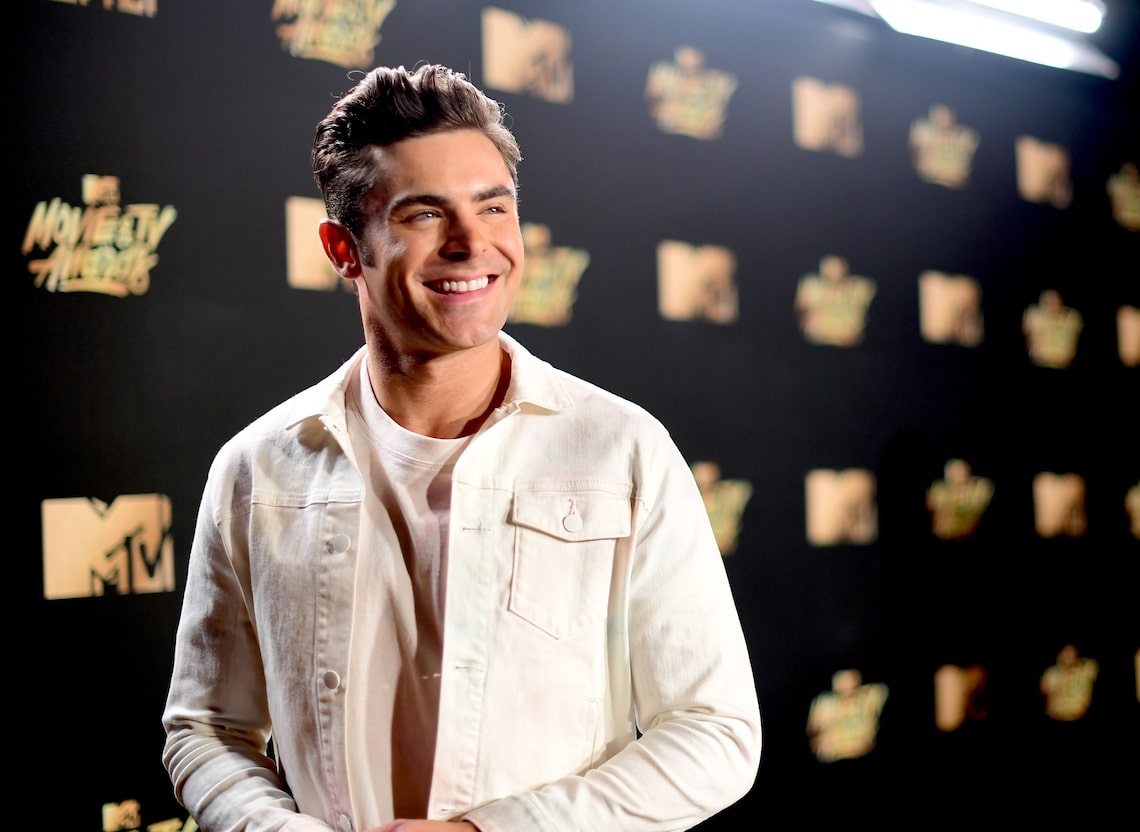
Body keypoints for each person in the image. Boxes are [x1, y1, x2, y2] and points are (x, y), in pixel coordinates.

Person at [161, 63, 761, 832]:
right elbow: (207, 731)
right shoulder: (257, 470)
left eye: (493, 206)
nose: (472, 243)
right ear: (344, 248)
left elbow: (715, 731)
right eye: (423, 214)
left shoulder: (623, 451)